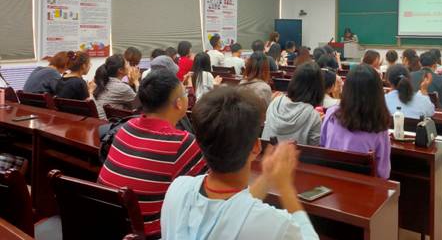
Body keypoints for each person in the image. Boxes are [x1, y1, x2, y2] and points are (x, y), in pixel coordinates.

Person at [161, 86, 318, 240]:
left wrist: (268, 177)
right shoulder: (275, 226)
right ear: (256, 147)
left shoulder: (177, 189)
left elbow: (235, 212)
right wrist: (285, 186)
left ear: (199, 142)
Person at [98, 70, 208, 239]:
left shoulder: (126, 127)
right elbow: (205, 195)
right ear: (179, 103)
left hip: (106, 225)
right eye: (185, 94)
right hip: (147, 234)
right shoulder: (181, 143)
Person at [320, 65, 391, 178]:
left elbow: (322, 146)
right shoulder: (379, 127)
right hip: (364, 186)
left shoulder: (331, 114)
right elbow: (383, 173)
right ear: (377, 93)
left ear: (346, 89)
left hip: (330, 181)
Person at [262, 62, 323, 146]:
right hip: (292, 155)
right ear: (318, 88)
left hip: (266, 153)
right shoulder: (313, 116)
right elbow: (314, 149)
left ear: (293, 81)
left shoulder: (275, 102)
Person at [93, 54, 139, 119]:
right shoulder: (122, 87)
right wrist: (136, 81)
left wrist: (131, 83)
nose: (129, 65)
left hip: (99, 121)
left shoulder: (104, 81)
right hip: (108, 123)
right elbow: (140, 103)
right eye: (127, 63)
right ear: (120, 70)